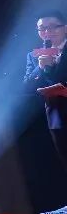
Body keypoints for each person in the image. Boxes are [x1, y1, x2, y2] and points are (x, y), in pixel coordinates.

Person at [26, 10, 67, 171]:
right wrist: (40, 68)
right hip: (57, 117)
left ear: (65, 28)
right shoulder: (34, 56)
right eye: (42, 29)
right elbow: (27, 86)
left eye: (53, 27)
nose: (47, 32)